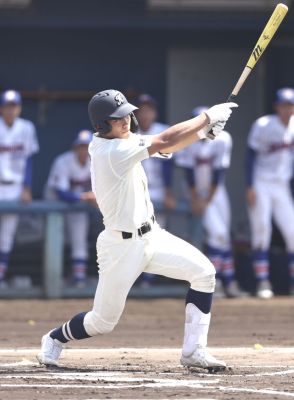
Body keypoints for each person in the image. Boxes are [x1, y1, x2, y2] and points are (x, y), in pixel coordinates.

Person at [37, 89, 237, 370]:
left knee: (204, 273)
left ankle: (194, 352)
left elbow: (167, 147)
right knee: (102, 322)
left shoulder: (122, 139)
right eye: (117, 118)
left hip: (152, 236)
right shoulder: (110, 151)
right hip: (121, 247)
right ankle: (55, 338)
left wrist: (202, 134)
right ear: (101, 125)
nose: (126, 120)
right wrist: (207, 117)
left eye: (126, 114)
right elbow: (165, 139)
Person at [176, 106, 246, 298]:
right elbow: (188, 174)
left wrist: (206, 201)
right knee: (218, 235)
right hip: (195, 192)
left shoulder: (223, 139)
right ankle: (218, 283)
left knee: (223, 238)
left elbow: (218, 174)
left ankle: (228, 282)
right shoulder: (187, 141)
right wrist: (196, 199)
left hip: (216, 192)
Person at [246, 87, 294, 299]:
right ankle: (262, 282)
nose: (287, 109)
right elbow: (250, 156)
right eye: (284, 105)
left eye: (290, 105)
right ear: (277, 106)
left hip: (282, 185)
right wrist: (250, 186)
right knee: (262, 230)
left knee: (292, 232)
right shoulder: (264, 125)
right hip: (261, 182)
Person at [44, 130, 96, 286]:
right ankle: (52, 280)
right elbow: (61, 194)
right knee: (54, 241)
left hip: (77, 205)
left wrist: (93, 196)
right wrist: (85, 197)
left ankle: (78, 279)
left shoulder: (96, 163)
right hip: (55, 205)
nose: (83, 150)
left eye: (87, 146)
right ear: (74, 147)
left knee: (78, 239)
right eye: (80, 146)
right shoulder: (63, 161)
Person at [135, 94, 175, 287]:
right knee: (136, 236)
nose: (145, 114)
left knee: (155, 234)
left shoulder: (161, 131)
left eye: (148, 110)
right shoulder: (130, 133)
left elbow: (168, 166)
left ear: (154, 113)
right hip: (136, 191)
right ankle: (138, 275)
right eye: (141, 110)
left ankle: (148, 278)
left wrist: (168, 192)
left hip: (158, 190)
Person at [0, 90, 39, 288]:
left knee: (6, 236)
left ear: (19, 108)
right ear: (1, 108)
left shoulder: (26, 128)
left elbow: (29, 160)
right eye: (7, 106)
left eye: (13, 106)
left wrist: (27, 187)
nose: (10, 110)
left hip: (14, 187)